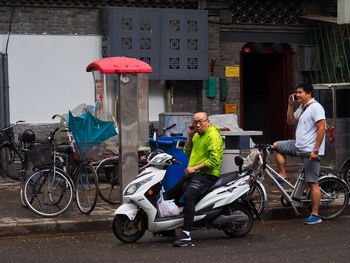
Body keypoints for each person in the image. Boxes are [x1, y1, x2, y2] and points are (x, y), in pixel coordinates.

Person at [167, 111, 223, 247]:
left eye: (201, 122)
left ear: (208, 122)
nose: (198, 125)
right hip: (193, 174)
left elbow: (214, 161)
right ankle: (168, 228)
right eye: (195, 122)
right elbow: (186, 152)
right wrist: (190, 136)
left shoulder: (213, 136)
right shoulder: (197, 135)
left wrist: (195, 168)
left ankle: (186, 234)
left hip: (207, 175)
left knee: (189, 196)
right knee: (171, 193)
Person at [273, 83, 326, 225]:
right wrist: (290, 105)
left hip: (310, 151)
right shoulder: (303, 107)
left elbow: (322, 128)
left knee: (312, 183)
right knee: (276, 146)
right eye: (296, 92)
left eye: (300, 92)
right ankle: (283, 174)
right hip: (298, 146)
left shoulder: (316, 107)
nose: (297, 94)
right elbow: (290, 121)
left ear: (309, 94)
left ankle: (315, 215)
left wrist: (315, 150)